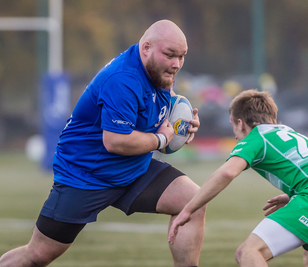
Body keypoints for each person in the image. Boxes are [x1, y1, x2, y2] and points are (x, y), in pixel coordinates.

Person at [0, 20, 206, 267]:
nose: (176, 64)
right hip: (86, 175)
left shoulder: (158, 71)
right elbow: (116, 141)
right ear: (146, 47)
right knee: (37, 255)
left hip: (132, 170)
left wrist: (183, 124)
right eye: (170, 55)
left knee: (192, 201)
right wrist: (162, 138)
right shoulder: (122, 79)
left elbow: (165, 106)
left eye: (181, 56)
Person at [169, 89, 308, 266]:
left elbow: (227, 172)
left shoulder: (258, 136)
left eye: (233, 126)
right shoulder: (289, 132)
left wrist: (188, 208)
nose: (236, 134)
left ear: (240, 123)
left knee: (248, 252)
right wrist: (295, 195)